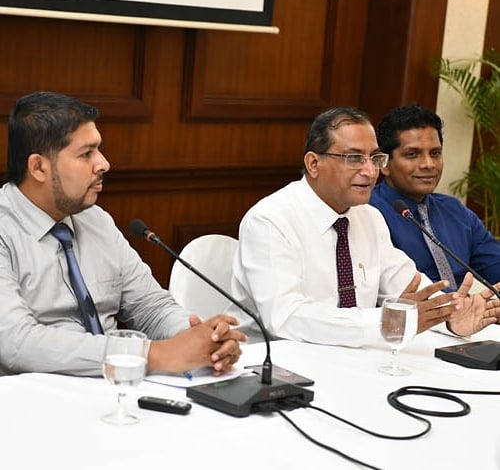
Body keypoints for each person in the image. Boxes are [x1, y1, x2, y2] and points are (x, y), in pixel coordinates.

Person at [0, 91, 246, 376]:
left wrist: (201, 339)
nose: (104, 164)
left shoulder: (96, 220)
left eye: (99, 150)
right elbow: (15, 342)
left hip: (117, 389)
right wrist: (149, 355)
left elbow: (149, 305)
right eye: (86, 154)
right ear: (38, 167)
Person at [231, 106, 500, 346]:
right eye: (354, 158)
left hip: (354, 356)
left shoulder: (368, 217)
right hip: (278, 359)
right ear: (314, 163)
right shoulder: (270, 220)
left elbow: (410, 287)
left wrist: (451, 317)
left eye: (374, 158)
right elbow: (285, 318)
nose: (370, 171)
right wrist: (384, 321)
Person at [370, 103, 500, 291]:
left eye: (435, 153)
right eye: (412, 154)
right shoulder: (369, 213)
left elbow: (495, 266)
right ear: (384, 164)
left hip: (470, 315)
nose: (428, 164)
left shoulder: (455, 210)